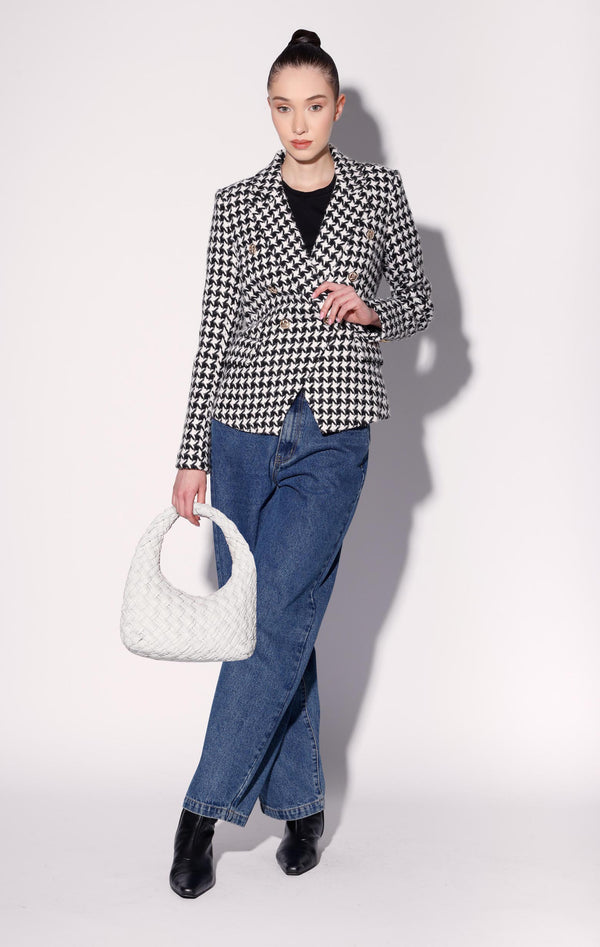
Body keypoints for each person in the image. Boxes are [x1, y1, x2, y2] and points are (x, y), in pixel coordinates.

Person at [169, 28, 435, 898]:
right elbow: (214, 329)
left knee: (275, 611)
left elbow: (421, 300)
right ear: (270, 110)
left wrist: (374, 308)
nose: (299, 123)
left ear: (338, 108)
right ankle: (302, 804)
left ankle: (200, 813)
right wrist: (189, 453)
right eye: (283, 107)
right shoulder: (236, 203)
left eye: (314, 105)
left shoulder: (379, 192)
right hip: (241, 428)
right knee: (270, 622)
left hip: (333, 431)